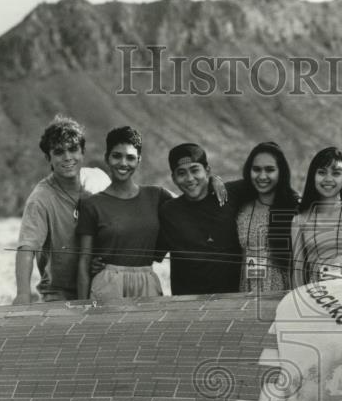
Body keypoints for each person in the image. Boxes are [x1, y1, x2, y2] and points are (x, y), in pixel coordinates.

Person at [14, 115, 110, 304]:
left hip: (102, 285)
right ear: (48, 157)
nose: (67, 157)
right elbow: (27, 248)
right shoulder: (40, 199)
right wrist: (23, 294)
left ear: (82, 152)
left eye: (73, 149)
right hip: (60, 295)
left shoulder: (99, 179)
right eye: (59, 152)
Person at [75, 127, 171, 301]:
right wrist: (82, 308)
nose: (123, 163)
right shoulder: (92, 204)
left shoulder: (157, 196)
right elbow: (84, 262)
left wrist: (212, 181)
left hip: (147, 282)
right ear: (107, 158)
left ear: (139, 160)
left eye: (130, 157)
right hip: (107, 284)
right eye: (117, 156)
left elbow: (189, 208)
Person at [158, 143, 243, 295]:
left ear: (208, 170)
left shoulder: (231, 194)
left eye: (195, 170)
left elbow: (269, 185)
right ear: (174, 178)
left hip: (233, 301)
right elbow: (142, 240)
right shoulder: (168, 211)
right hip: (188, 306)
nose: (189, 178)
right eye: (181, 173)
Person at [291, 147, 342, 285]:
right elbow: (298, 271)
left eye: (336, 173)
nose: (328, 179)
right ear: (313, 176)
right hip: (318, 297)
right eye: (322, 172)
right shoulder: (299, 220)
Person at [235, 142, 300, 292]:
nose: (262, 176)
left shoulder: (294, 208)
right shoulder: (242, 209)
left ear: (281, 172)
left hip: (283, 294)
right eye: (256, 169)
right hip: (248, 293)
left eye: (270, 170)